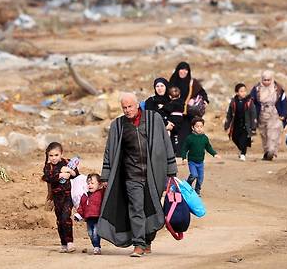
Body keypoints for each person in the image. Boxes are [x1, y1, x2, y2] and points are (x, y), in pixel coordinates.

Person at [98, 93, 177, 258]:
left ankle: (147, 241)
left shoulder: (153, 119)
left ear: (137, 105)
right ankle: (139, 244)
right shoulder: (118, 125)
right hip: (131, 176)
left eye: (130, 107)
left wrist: (171, 169)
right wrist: (105, 176)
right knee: (136, 209)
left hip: (154, 174)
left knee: (151, 208)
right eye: (124, 108)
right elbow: (109, 152)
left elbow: (166, 143)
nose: (127, 111)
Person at [42, 142, 80, 253]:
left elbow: (77, 175)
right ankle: (63, 243)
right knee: (59, 220)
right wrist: (60, 174)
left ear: (61, 154)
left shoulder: (67, 162)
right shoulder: (48, 167)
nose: (54, 158)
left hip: (68, 195)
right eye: (51, 156)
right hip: (56, 197)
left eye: (56, 155)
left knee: (65, 217)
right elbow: (48, 177)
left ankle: (70, 242)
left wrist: (70, 172)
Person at [168, 62, 209, 147]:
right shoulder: (172, 81)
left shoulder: (192, 82)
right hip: (176, 112)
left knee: (187, 132)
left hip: (188, 113)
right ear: (178, 70)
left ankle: (187, 152)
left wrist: (205, 101)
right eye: (181, 69)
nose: (184, 71)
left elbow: (202, 92)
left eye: (186, 70)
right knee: (176, 133)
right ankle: (176, 152)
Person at [250, 71, 287, 161]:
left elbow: (283, 102)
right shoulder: (256, 89)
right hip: (262, 113)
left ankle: (272, 151)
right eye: (264, 80)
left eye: (268, 80)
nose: (266, 82)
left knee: (273, 132)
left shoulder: (278, 88)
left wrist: (284, 114)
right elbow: (251, 102)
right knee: (264, 134)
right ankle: (267, 152)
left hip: (274, 113)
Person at [180, 117, 220, 196]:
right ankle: (187, 185)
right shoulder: (190, 138)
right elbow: (184, 149)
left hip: (200, 162)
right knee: (194, 175)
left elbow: (208, 147)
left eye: (201, 127)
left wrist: (214, 154)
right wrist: (184, 158)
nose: (199, 128)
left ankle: (197, 190)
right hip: (192, 161)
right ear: (193, 127)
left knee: (200, 178)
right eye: (197, 126)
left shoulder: (204, 138)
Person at [224, 83, 257, 161]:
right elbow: (229, 114)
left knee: (243, 139)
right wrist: (227, 125)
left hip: (246, 124)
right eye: (241, 91)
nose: (243, 93)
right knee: (234, 138)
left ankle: (243, 153)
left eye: (245, 91)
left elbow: (253, 114)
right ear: (237, 92)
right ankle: (241, 149)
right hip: (236, 124)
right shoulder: (233, 102)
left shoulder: (249, 102)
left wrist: (253, 126)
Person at [78, 173, 105, 255]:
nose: (90, 185)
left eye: (92, 183)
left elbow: (106, 189)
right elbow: (81, 206)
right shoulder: (85, 195)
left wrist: (104, 184)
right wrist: (79, 215)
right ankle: (95, 246)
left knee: (96, 232)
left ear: (99, 185)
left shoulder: (101, 193)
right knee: (90, 233)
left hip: (97, 217)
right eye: (88, 183)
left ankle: (97, 247)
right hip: (88, 218)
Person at [162, 86, 187, 156]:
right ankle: (178, 150)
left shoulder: (172, 103)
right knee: (177, 135)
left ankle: (173, 150)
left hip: (173, 119)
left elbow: (168, 109)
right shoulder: (182, 102)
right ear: (179, 95)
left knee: (172, 134)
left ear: (170, 96)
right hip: (180, 119)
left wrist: (163, 107)